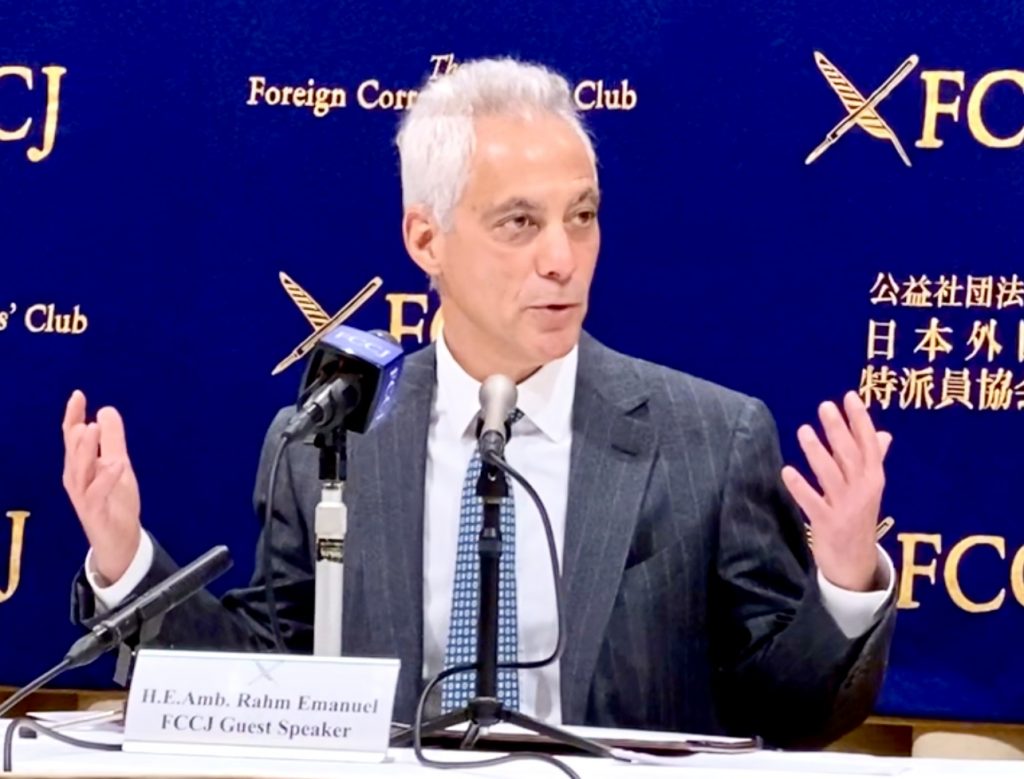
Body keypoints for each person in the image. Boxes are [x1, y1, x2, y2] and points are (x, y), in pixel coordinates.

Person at [62, 57, 896, 749]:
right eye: (519, 223)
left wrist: (847, 581)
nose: (562, 258)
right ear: (426, 239)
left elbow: (791, 718)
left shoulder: (709, 439)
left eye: (583, 216)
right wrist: (127, 561)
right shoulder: (331, 440)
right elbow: (267, 683)